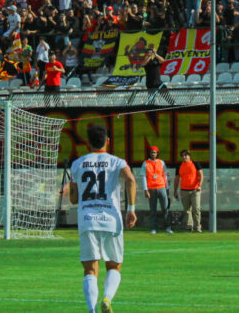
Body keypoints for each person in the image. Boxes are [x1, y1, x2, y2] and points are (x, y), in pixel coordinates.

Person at [68, 124, 137, 313]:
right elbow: (131, 180)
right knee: (114, 266)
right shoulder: (117, 162)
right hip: (111, 220)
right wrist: (131, 209)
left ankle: (92, 310)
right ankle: (107, 298)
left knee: (90, 269)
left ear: (87, 143)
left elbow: (73, 199)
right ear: (108, 141)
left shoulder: (77, 164)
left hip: (87, 220)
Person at [173, 149, 203, 233]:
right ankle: (189, 227)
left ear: (189, 156)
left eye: (186, 155)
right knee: (187, 210)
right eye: (182, 155)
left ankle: (197, 227)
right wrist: (175, 191)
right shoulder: (179, 166)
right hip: (184, 190)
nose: (184, 157)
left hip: (195, 190)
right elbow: (177, 179)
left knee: (196, 209)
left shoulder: (195, 164)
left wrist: (199, 185)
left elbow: (201, 175)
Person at [142, 146, 170, 234]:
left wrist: (167, 188)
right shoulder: (145, 163)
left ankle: (167, 227)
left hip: (162, 187)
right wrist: (145, 190)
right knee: (153, 210)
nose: (153, 154)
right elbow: (143, 177)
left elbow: (165, 176)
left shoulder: (161, 162)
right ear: (149, 153)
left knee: (165, 208)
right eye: (151, 152)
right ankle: (153, 228)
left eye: (154, 152)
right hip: (151, 189)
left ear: (157, 153)